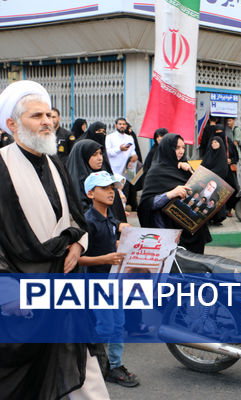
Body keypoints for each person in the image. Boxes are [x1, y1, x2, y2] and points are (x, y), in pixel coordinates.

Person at [0, 80, 109, 399]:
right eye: (36, 116)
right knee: (27, 379)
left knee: (83, 373)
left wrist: (77, 244)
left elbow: (76, 216)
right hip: (20, 294)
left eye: (48, 114)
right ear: (12, 124)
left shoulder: (55, 163)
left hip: (63, 286)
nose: (47, 121)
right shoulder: (2, 166)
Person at [77, 171, 139, 386]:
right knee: (105, 327)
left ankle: (114, 365)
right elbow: (78, 259)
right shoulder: (87, 221)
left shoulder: (111, 218)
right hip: (95, 283)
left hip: (114, 281)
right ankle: (88, 363)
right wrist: (106, 257)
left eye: (112, 187)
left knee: (118, 323)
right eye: (104, 188)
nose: (111, 191)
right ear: (90, 193)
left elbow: (110, 243)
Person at [138, 133, 211, 253]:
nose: (181, 151)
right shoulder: (156, 172)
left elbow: (198, 190)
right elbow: (147, 203)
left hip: (192, 231)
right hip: (170, 233)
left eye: (183, 147)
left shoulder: (183, 168)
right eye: (177, 148)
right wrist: (170, 194)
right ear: (167, 149)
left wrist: (190, 171)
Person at [67, 138, 128, 222]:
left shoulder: (103, 175)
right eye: (94, 154)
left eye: (100, 154)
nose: (100, 158)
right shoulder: (76, 182)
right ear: (83, 156)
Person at [201, 136, 229, 225]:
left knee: (215, 199)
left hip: (218, 181)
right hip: (208, 181)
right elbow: (203, 165)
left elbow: (223, 169)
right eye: (212, 142)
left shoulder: (222, 155)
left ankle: (217, 218)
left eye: (216, 142)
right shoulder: (208, 154)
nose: (214, 144)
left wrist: (210, 173)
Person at [213, 124, 239, 215]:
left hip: (229, 171)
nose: (219, 136)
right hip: (217, 171)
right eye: (217, 134)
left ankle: (228, 208)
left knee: (233, 189)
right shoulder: (213, 142)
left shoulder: (229, 142)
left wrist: (231, 160)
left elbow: (236, 157)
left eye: (221, 133)